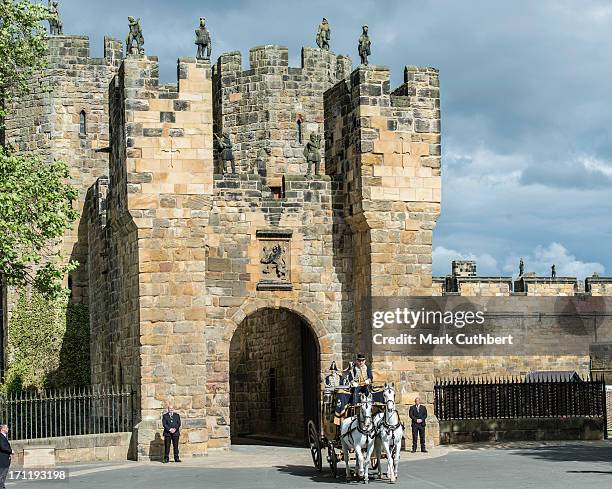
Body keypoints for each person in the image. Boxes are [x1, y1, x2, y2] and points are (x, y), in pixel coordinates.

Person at [0, 424, 13, 489]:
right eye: (7, 427)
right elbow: (2, 447)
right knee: (2, 475)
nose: (8, 428)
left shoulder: (3, 436)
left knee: (3, 475)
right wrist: (11, 451)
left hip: (5, 459)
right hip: (2, 460)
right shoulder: (1, 436)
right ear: (2, 429)